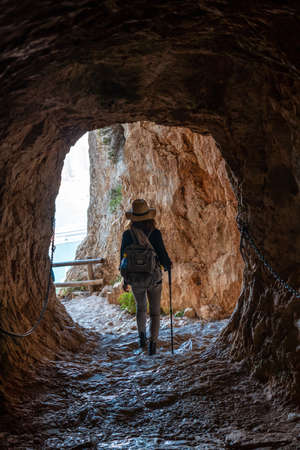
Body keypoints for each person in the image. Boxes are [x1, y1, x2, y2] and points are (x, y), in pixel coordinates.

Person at [120, 199, 172, 355]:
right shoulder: (155, 233)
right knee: (155, 312)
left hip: (136, 279)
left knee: (141, 308)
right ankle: (153, 345)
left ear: (133, 218)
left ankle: (141, 338)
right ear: (149, 216)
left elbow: (123, 259)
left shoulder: (127, 235)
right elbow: (163, 256)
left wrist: (124, 278)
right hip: (153, 278)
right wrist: (168, 265)